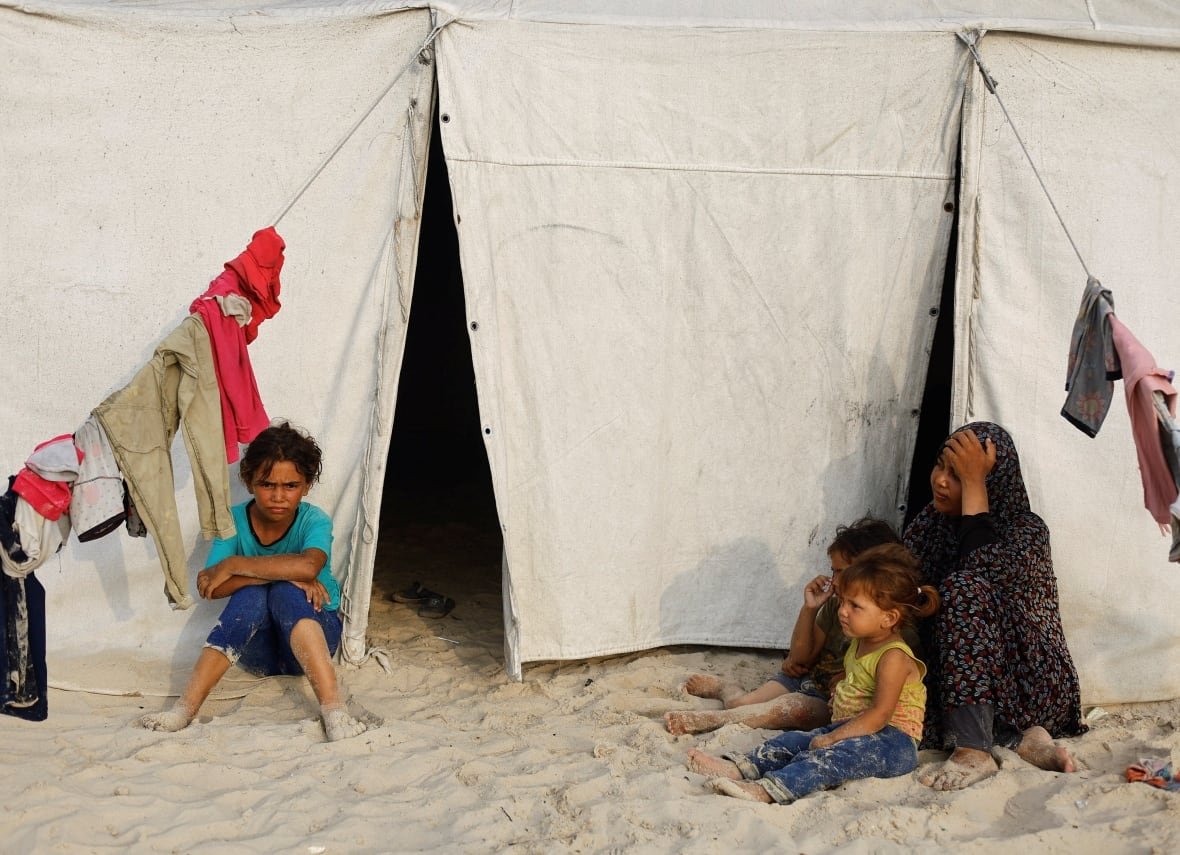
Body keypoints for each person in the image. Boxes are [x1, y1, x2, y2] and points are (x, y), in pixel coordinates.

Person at [136, 421, 375, 742]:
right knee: (254, 594)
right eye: (266, 484)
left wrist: (236, 565)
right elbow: (211, 586)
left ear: (306, 486)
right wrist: (279, 575)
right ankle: (184, 709)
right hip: (257, 653)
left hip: (314, 642)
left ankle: (334, 710)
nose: (278, 496)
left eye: (290, 486)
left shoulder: (313, 520)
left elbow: (308, 566)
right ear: (249, 482)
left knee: (285, 592)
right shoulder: (234, 520)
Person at [904, 421, 1086, 790]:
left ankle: (974, 750)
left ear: (992, 482)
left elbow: (979, 572)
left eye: (959, 476)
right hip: (960, 688)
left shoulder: (1027, 531)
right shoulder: (929, 527)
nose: (941, 481)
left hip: (1032, 684)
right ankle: (1026, 740)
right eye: (940, 466)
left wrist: (975, 485)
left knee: (964, 588)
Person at [684, 544, 939, 803]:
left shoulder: (894, 656)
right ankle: (739, 769)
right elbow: (859, 680)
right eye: (843, 602)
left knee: (828, 758)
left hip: (892, 743)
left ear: (889, 618)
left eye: (855, 605)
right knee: (794, 740)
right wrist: (842, 691)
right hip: (855, 729)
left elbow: (880, 714)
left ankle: (768, 791)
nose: (842, 610)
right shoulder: (861, 643)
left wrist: (833, 737)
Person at [664, 517, 904, 736]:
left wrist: (847, 678)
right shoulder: (836, 607)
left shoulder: (892, 631)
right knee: (740, 704)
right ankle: (728, 689)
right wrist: (809, 608)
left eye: (841, 572)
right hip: (808, 679)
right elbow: (800, 659)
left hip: (833, 701)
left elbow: (889, 684)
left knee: (789, 709)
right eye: (833, 571)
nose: (834, 581)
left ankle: (713, 720)